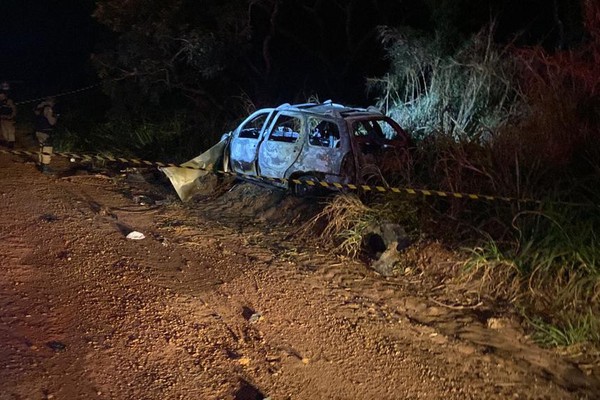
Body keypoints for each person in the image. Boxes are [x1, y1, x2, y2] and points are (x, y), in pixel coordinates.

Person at [34, 97, 58, 173]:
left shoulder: (39, 108)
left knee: (41, 148)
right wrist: (56, 117)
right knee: (47, 148)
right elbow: (52, 122)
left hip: (38, 130)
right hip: (45, 131)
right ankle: (45, 167)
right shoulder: (48, 109)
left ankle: (41, 165)